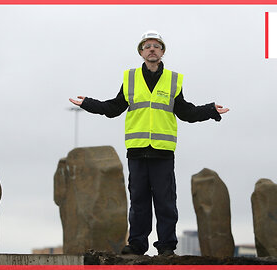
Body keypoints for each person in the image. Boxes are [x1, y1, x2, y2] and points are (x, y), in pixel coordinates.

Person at [69, 30, 229, 256]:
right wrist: (88, 103)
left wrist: (210, 110)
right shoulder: (130, 78)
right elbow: (114, 108)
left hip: (163, 153)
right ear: (141, 52)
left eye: (156, 45)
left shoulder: (174, 80)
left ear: (162, 52)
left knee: (165, 203)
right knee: (139, 202)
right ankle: (136, 244)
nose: (152, 49)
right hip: (137, 151)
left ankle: (166, 247)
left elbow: (187, 112)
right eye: (147, 46)